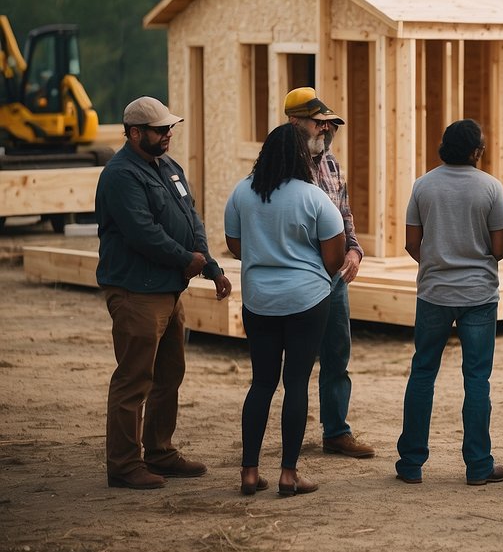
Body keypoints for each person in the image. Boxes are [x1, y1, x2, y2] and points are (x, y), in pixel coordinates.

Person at [96, 96, 232, 490]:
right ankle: (123, 464)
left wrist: (209, 264)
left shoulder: (167, 166)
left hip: (169, 288)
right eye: (160, 130)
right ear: (136, 133)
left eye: (170, 128)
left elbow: (192, 218)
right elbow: (142, 232)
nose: (168, 134)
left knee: (169, 373)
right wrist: (184, 258)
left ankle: (159, 452)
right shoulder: (121, 175)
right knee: (134, 379)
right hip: (136, 290)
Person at [225, 124, 345, 496]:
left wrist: (267, 257)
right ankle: (288, 475)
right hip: (306, 301)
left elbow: (235, 246)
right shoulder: (313, 198)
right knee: (295, 383)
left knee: (261, 383)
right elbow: (335, 257)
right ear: (299, 156)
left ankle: (248, 472)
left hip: (259, 301)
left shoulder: (242, 193)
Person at [396, 120, 503, 486]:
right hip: (478, 295)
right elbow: (500, 249)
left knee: (422, 373)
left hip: (434, 292)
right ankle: (478, 465)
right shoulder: (491, 188)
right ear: (477, 151)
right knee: (477, 379)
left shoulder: (423, 185)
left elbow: (412, 243)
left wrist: (437, 262)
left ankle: (411, 464)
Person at [284, 88, 375, 459]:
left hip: (334, 278)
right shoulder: (281, 168)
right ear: (295, 122)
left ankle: (336, 431)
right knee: (297, 359)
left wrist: (354, 251)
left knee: (337, 354)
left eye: (327, 123)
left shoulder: (332, 164)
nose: (324, 129)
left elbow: (345, 216)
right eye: (317, 122)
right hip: (299, 275)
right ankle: (292, 436)